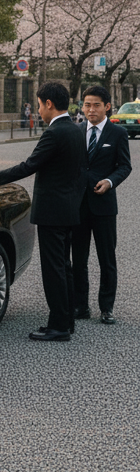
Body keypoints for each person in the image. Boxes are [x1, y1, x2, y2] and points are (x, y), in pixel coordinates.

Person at [0, 82, 87, 341]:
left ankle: (58, 326)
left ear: (48, 104)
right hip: (69, 209)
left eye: (38, 105)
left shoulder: (54, 133)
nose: (38, 110)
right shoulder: (77, 130)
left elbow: (30, 165)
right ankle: (66, 320)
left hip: (52, 211)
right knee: (64, 266)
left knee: (53, 268)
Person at [72, 85, 132, 325]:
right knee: (79, 258)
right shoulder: (76, 131)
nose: (91, 109)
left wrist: (110, 181)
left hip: (104, 205)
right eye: (87, 104)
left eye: (96, 104)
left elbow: (125, 166)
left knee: (107, 258)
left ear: (107, 106)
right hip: (78, 205)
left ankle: (106, 307)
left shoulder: (117, 133)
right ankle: (80, 306)